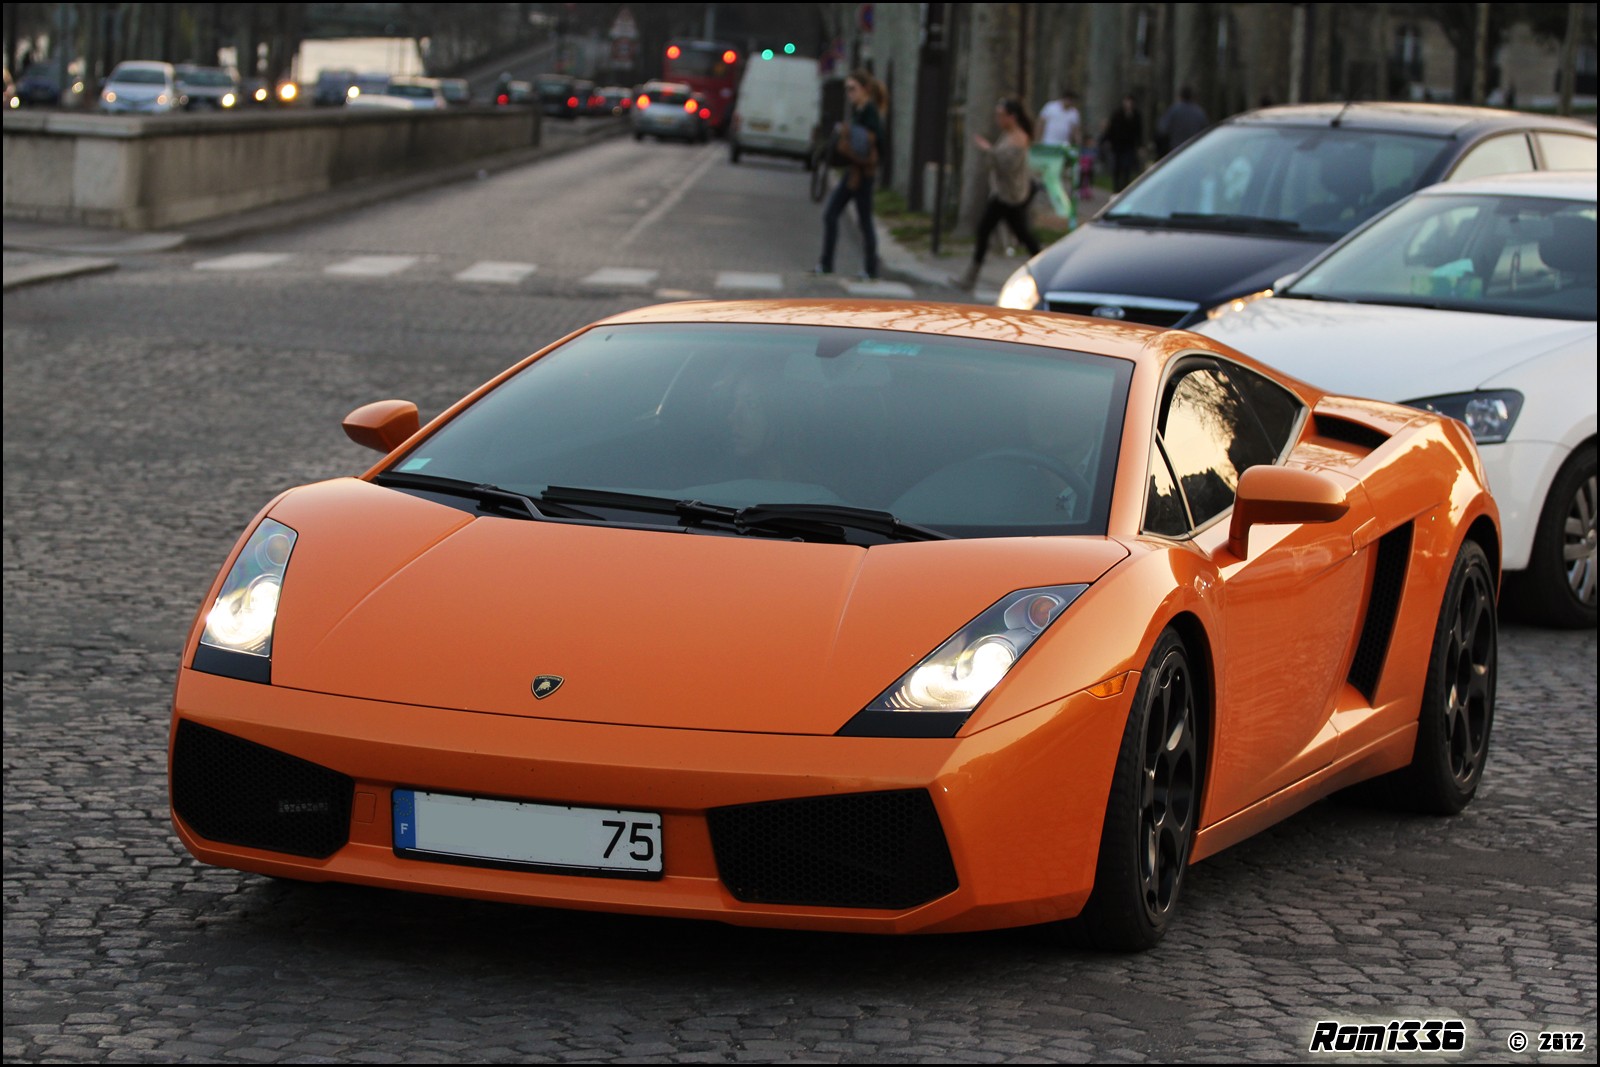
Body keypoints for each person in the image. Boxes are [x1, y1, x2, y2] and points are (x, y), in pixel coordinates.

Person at [952, 98, 1043, 292]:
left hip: (1010, 195)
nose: (998, 119)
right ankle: (970, 278)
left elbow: (1008, 166)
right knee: (1017, 234)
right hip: (1003, 193)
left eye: (1001, 115)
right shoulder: (1008, 135)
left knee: (1000, 232)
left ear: (1012, 117)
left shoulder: (1019, 138)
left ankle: (970, 279)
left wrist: (989, 150)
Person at [814, 70, 884, 280]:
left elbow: (873, 143)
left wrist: (848, 136)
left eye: (853, 89)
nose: (849, 94)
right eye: (847, 89)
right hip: (854, 172)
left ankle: (869, 269)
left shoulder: (869, 113)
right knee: (833, 214)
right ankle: (827, 263)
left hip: (862, 174)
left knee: (862, 220)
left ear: (865, 89)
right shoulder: (861, 111)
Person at [1099, 94, 1144, 192]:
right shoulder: (1117, 114)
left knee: (1127, 167)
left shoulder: (1136, 115)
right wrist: (1106, 140)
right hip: (1117, 145)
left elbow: (1138, 132)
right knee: (1117, 167)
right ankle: (1116, 188)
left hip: (1129, 145)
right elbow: (1111, 129)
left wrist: (1140, 145)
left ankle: (1125, 187)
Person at [1156, 86, 1208, 158]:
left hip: (1176, 150)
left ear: (1180, 96)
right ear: (1192, 97)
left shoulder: (1174, 110)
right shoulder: (1199, 113)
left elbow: (1162, 129)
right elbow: (1206, 132)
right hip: (1194, 150)